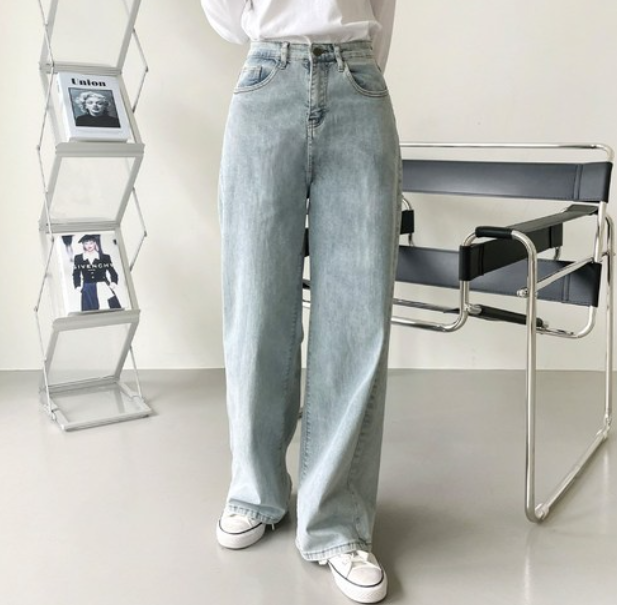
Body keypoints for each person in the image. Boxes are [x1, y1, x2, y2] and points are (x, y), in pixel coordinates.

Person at [201, 2, 400, 602]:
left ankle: (338, 520)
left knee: (356, 313)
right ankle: (255, 490)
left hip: (358, 82)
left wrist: (351, 64)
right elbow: (225, 14)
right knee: (255, 305)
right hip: (266, 82)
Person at [72, 234, 120, 311]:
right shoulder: (79, 258)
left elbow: (112, 271)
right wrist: (77, 285)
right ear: (83, 245)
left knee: (113, 309)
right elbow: (76, 273)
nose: (89, 246)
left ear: (95, 243)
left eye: (91, 243)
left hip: (103, 286)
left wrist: (113, 282)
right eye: (86, 243)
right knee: (89, 312)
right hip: (88, 288)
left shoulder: (104, 257)